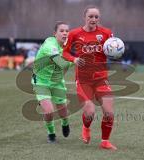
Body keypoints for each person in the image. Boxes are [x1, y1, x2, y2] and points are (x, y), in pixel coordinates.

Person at [63, 5, 117, 150]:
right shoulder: (74, 33)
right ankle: (86, 127)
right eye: (90, 16)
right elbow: (64, 52)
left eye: (96, 17)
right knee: (90, 111)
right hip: (83, 79)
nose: (93, 19)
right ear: (85, 17)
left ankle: (105, 141)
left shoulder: (106, 33)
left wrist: (115, 52)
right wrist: (74, 59)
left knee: (109, 111)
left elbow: (113, 49)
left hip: (101, 78)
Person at [31, 21, 72, 143]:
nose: (64, 33)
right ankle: (51, 133)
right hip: (41, 81)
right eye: (61, 31)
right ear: (55, 33)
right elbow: (62, 62)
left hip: (57, 81)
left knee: (63, 111)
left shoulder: (67, 47)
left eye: (67, 31)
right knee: (49, 111)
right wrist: (75, 60)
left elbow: (65, 66)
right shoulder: (50, 44)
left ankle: (65, 123)